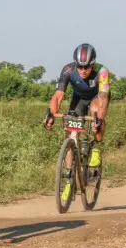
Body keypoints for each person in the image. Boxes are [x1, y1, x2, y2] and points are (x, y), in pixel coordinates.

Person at [44, 44, 110, 202]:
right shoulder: (68, 70)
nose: (83, 70)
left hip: (97, 98)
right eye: (80, 67)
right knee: (70, 130)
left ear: (92, 64)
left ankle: (97, 147)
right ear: (75, 64)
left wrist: (98, 120)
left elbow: (102, 99)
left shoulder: (102, 71)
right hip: (79, 99)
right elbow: (58, 96)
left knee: (96, 115)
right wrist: (51, 114)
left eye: (86, 67)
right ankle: (69, 179)